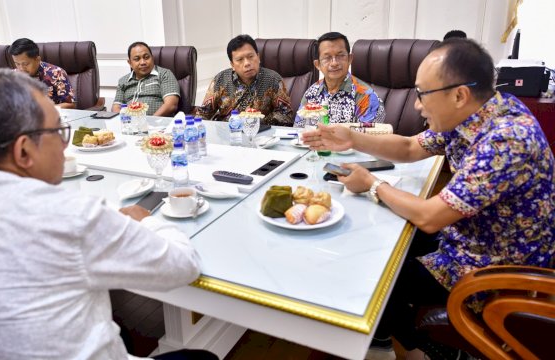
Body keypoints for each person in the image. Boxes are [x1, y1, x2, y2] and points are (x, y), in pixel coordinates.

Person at [0, 69, 217, 360]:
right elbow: (183, 266)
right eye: (58, 132)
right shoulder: (72, 216)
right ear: (23, 151)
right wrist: (146, 220)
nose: (64, 144)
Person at [303, 38, 555, 358]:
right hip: (471, 235)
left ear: (459, 94)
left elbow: (430, 217)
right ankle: (387, 333)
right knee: (374, 239)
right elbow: (410, 148)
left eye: (422, 94)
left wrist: (371, 184)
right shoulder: (477, 108)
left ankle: (432, 348)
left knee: (367, 274)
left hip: (491, 268)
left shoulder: (506, 139)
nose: (417, 105)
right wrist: (352, 138)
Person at [196, 34, 293, 126]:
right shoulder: (221, 80)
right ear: (232, 65)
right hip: (228, 134)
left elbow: (286, 115)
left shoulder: (273, 79)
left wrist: (258, 121)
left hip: (261, 134)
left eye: (251, 57)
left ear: (258, 57)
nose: (247, 63)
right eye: (240, 59)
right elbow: (203, 114)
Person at [294, 32, 385, 127]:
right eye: (327, 57)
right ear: (318, 65)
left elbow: (369, 139)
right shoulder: (311, 93)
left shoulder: (366, 97)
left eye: (340, 56)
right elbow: (298, 130)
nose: (334, 63)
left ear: (350, 59)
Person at [111, 42, 180, 116]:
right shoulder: (123, 81)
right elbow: (116, 107)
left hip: (156, 124)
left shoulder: (164, 74)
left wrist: (150, 122)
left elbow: (171, 105)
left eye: (146, 57)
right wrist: (124, 122)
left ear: (152, 58)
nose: (143, 62)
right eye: (137, 59)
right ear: (130, 63)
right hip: (128, 124)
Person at [10, 38, 76, 109]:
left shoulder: (56, 73)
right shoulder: (12, 76)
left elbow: (70, 104)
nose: (21, 69)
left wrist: (45, 111)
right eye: (17, 64)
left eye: (25, 64)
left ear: (37, 59)